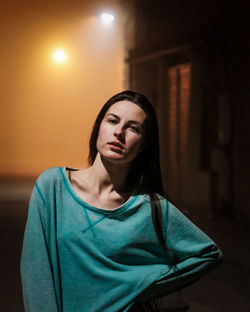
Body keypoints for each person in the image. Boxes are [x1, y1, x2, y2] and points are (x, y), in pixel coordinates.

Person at [20, 90, 223, 312]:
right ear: (99, 126)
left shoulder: (149, 207)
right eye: (113, 121)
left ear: (144, 144)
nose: (119, 132)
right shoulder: (52, 187)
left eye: (133, 128)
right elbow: (36, 273)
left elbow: (208, 254)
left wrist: (137, 287)